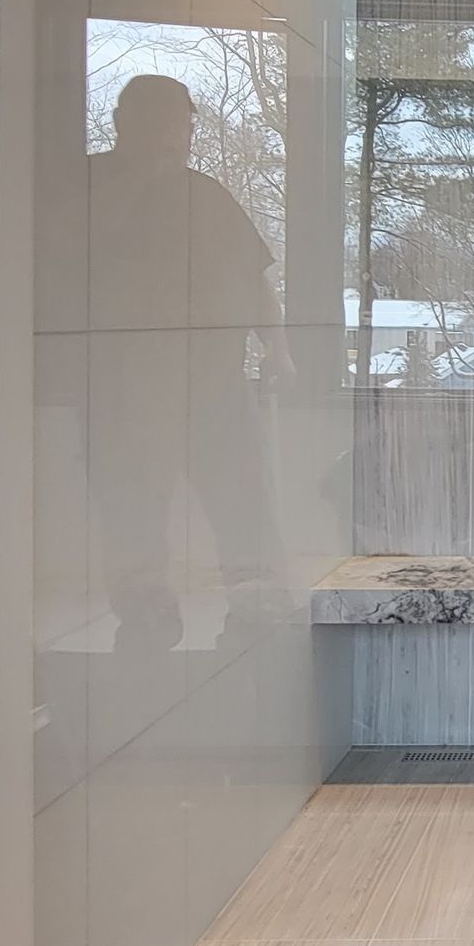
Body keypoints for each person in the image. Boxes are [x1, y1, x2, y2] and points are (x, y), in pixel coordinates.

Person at [86, 74, 291, 652]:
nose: (176, 137)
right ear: (126, 122)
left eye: (183, 125)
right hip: (122, 385)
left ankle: (256, 610)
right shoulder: (88, 186)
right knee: (132, 504)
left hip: (214, 381)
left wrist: (277, 347)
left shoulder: (206, 194)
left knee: (241, 496)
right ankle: (146, 616)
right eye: (163, 124)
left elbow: (255, 282)